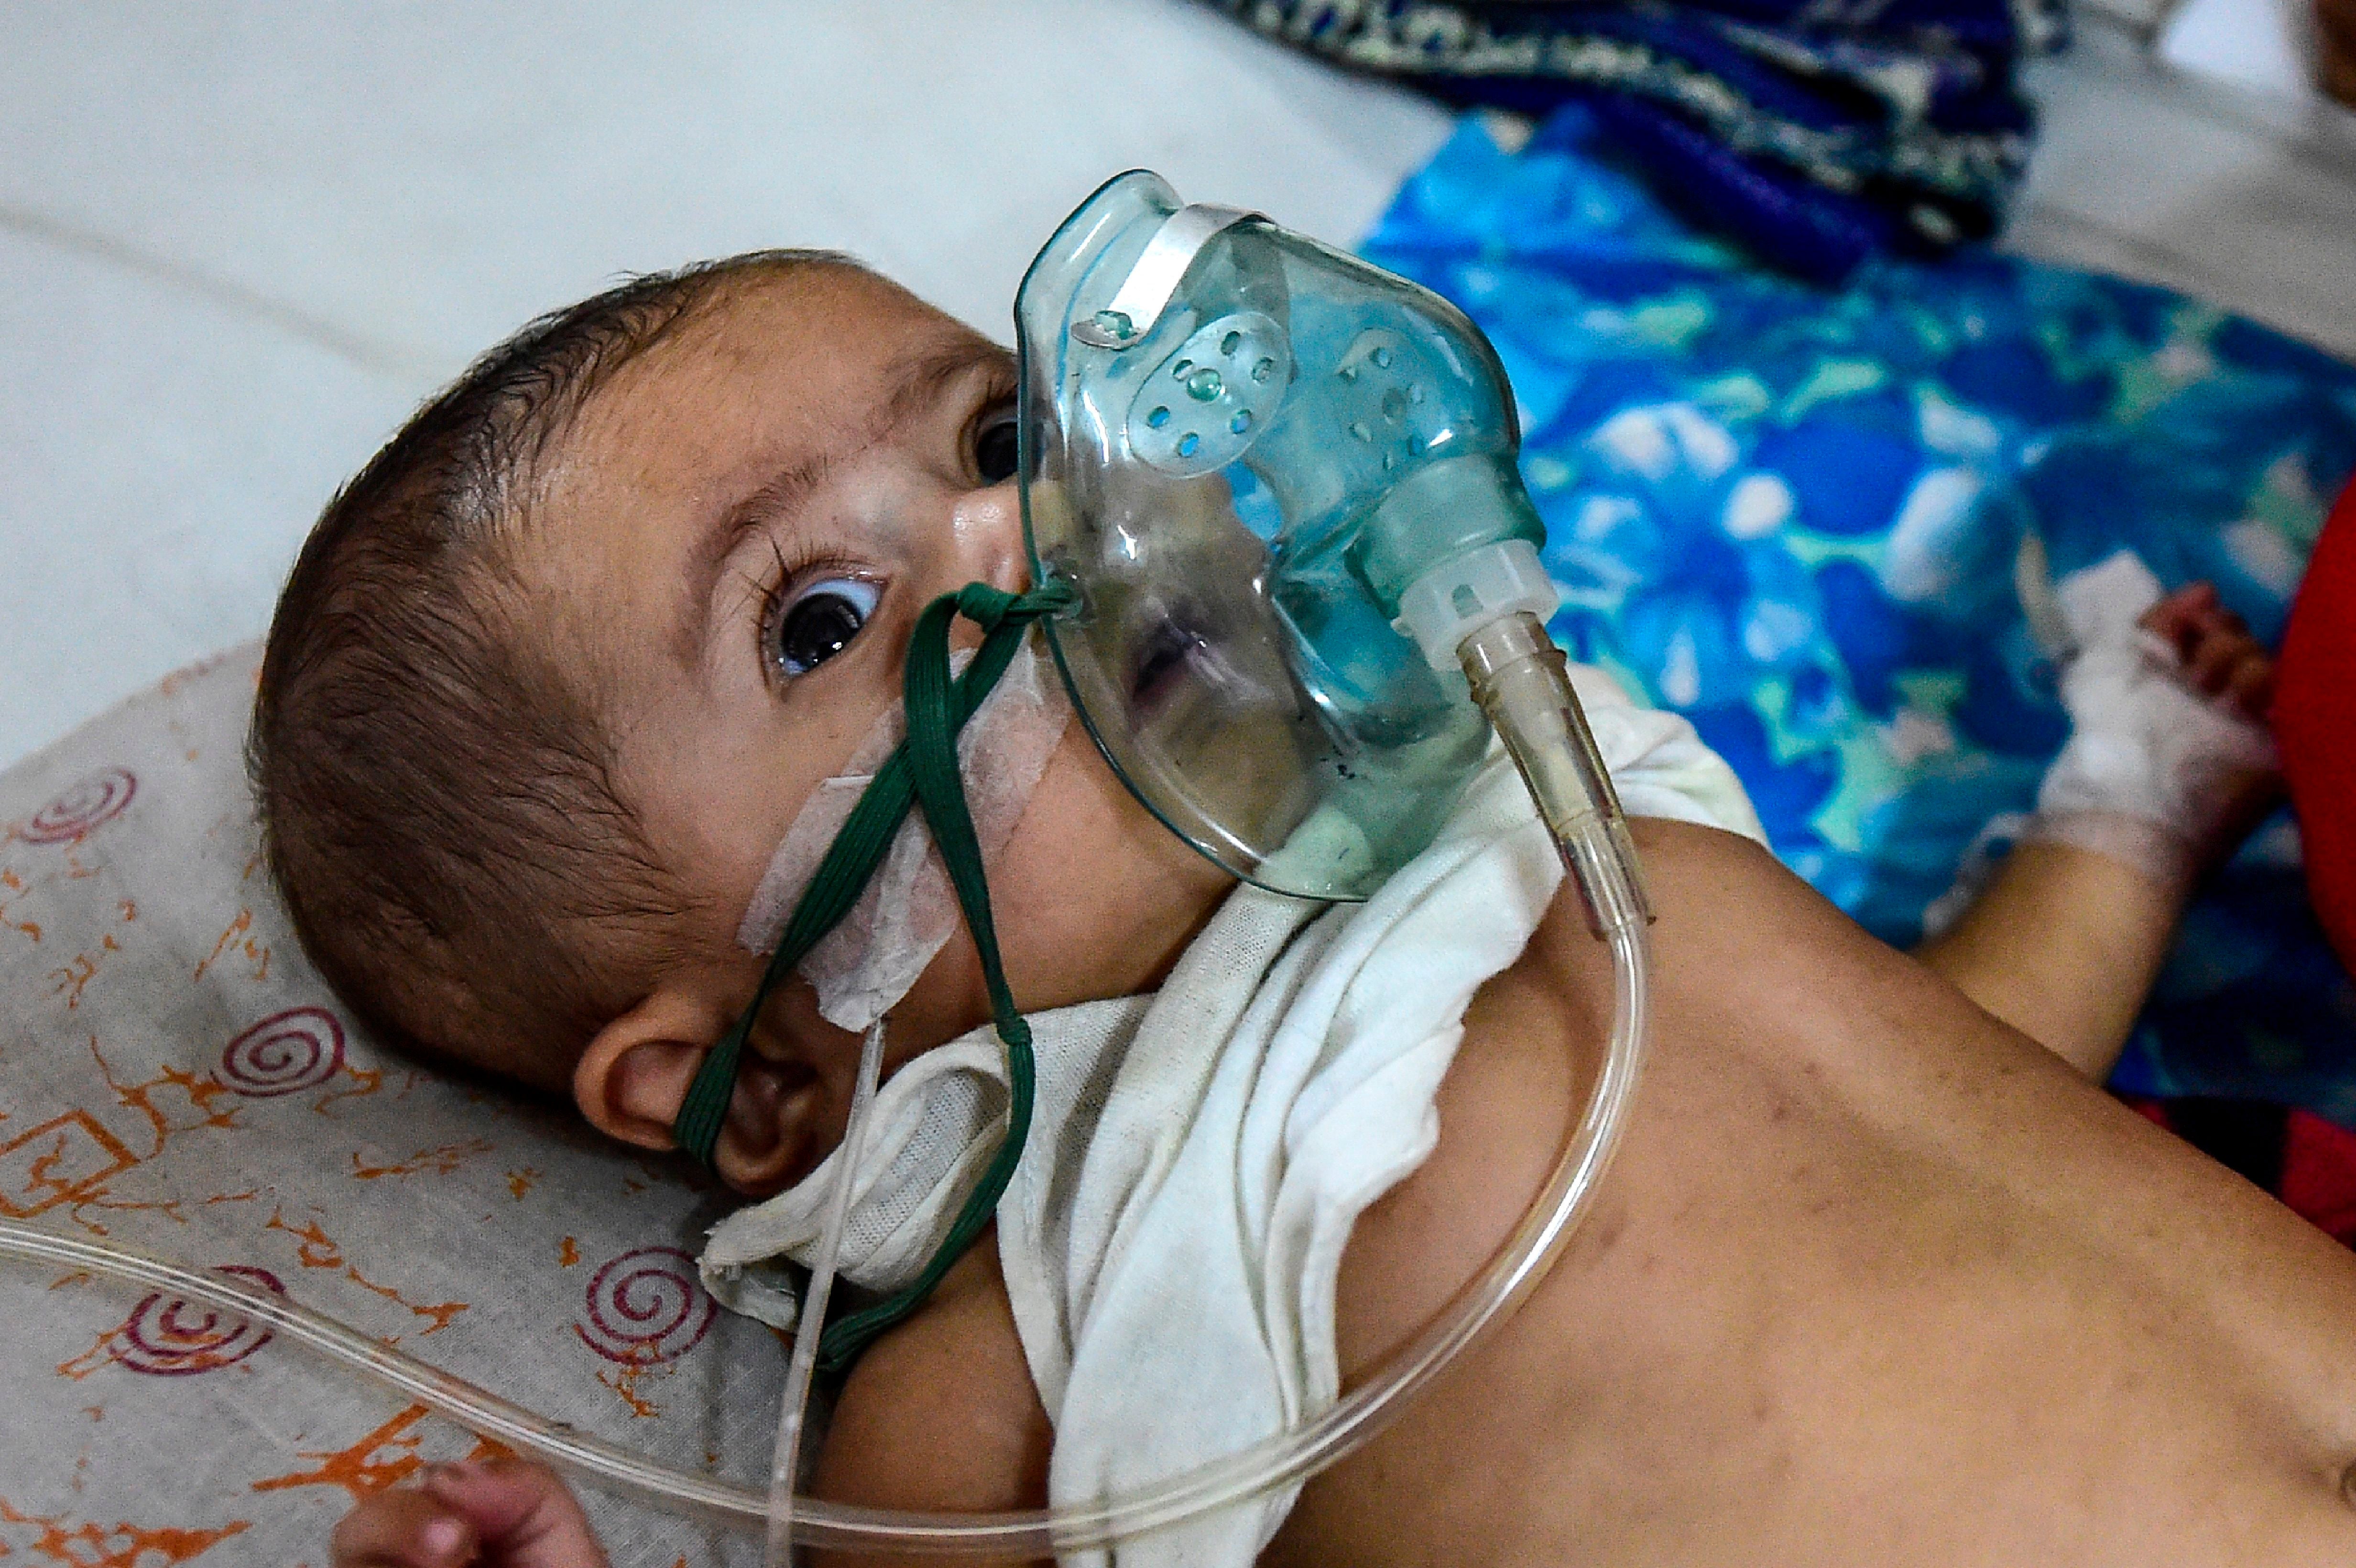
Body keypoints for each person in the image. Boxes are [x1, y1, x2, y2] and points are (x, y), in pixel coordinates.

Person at [255, 254, 2356, 1568]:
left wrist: (2127, 802)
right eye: (823, 612)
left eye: (998, 427)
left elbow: (1960, 1082)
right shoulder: (1018, 1349)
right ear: (757, 1085)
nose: (1032, 520)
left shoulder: (1537, 795)